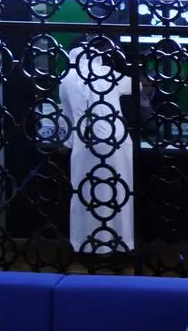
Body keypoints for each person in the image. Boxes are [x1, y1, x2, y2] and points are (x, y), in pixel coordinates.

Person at [59, 35, 135, 259]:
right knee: (118, 193)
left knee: (86, 194)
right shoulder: (108, 73)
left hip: (85, 144)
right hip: (117, 142)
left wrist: (67, 144)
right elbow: (137, 86)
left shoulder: (66, 79)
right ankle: (121, 244)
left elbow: (69, 119)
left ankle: (86, 245)